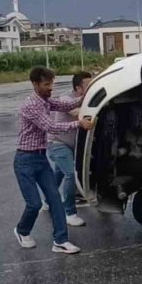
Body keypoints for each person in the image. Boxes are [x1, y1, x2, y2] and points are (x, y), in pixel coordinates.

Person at [14, 67, 93, 254]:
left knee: (55, 200)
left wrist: (86, 98)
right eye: (46, 84)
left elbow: (64, 105)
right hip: (25, 159)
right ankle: (22, 230)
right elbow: (51, 126)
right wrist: (79, 124)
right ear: (35, 84)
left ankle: (60, 241)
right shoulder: (31, 105)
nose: (51, 87)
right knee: (34, 204)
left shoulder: (45, 100)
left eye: (52, 83)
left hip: (41, 159)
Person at [45, 71, 92, 227]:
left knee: (59, 174)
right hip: (58, 144)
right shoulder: (66, 99)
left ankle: (47, 201)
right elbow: (77, 113)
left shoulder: (86, 98)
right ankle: (69, 213)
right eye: (88, 85)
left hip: (71, 145)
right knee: (71, 174)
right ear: (78, 88)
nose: (91, 87)